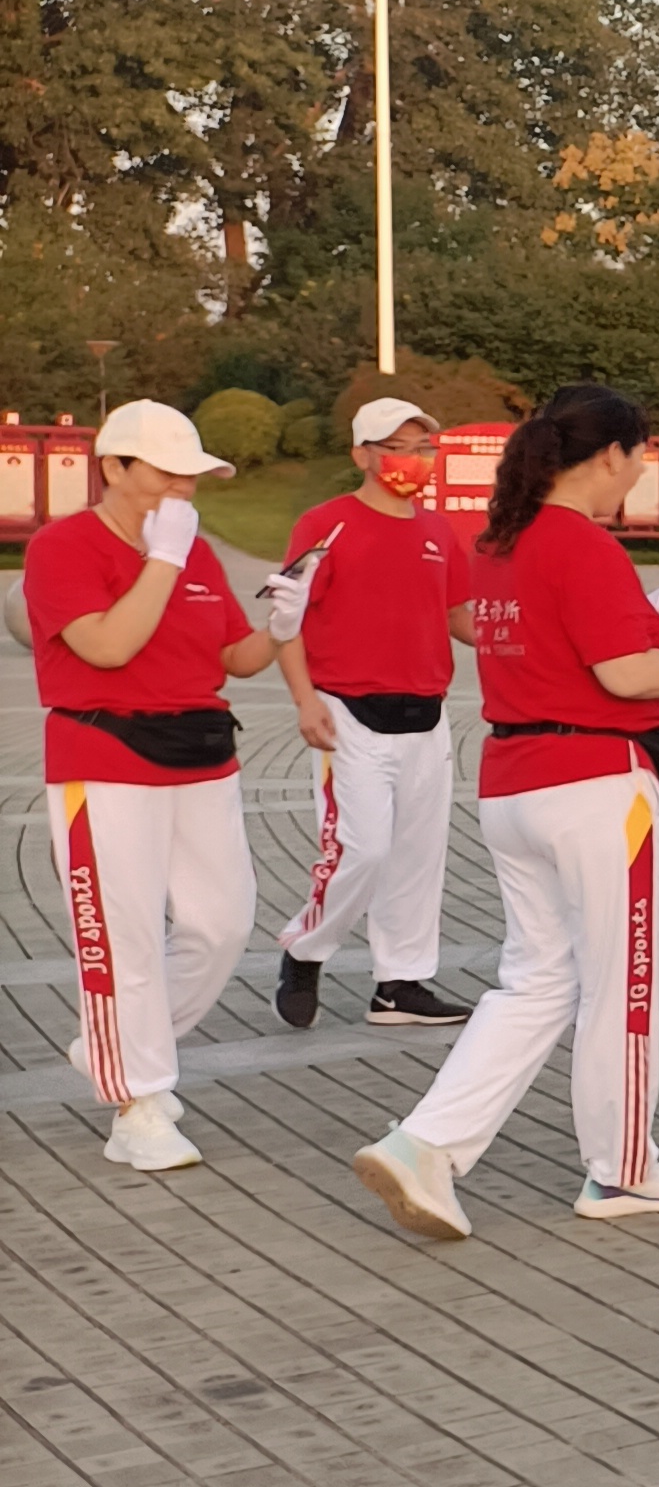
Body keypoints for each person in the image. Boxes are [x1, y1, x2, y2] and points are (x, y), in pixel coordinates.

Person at [351, 385, 659, 1235]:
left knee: (536, 980)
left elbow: (577, 639)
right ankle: (623, 1169)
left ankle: (425, 1144)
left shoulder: (503, 542)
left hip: (513, 781)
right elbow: (627, 674)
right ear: (610, 455)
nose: (637, 476)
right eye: (639, 459)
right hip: (596, 785)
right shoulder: (582, 543)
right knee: (622, 983)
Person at [25, 400, 275, 1171]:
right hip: (104, 755)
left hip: (201, 753)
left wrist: (286, 622)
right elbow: (107, 646)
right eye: (167, 473)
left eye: (192, 476)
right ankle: (136, 1105)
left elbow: (237, 657)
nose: (183, 489)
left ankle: (119, 1045)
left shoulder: (193, 549)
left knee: (222, 923)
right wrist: (162, 561)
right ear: (114, 467)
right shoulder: (63, 547)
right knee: (123, 935)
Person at [265, 397, 479, 1030]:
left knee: (417, 854)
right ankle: (306, 948)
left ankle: (400, 985)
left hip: (427, 714)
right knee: (362, 849)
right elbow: (287, 617)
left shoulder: (439, 531)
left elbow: (458, 615)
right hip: (347, 712)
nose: (413, 461)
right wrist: (305, 700)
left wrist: (524, 638)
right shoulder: (325, 526)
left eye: (423, 449)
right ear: (362, 455)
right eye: (397, 449)